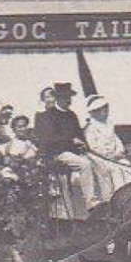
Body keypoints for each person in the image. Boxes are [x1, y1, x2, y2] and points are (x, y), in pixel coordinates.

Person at [34, 83, 98, 214]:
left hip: (74, 152)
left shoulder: (71, 115)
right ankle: (90, 202)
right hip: (58, 153)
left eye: (69, 97)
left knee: (99, 163)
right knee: (85, 164)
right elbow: (48, 138)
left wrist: (84, 145)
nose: (68, 100)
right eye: (64, 97)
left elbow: (79, 134)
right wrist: (70, 140)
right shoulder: (48, 115)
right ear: (57, 98)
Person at [82, 94, 131, 206]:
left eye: (106, 109)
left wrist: (119, 152)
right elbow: (93, 147)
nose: (104, 112)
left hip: (115, 157)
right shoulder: (91, 128)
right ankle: (113, 198)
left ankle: (129, 194)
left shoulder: (109, 125)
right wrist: (109, 156)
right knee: (111, 169)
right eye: (101, 110)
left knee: (125, 164)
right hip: (100, 158)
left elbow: (117, 141)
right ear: (94, 112)